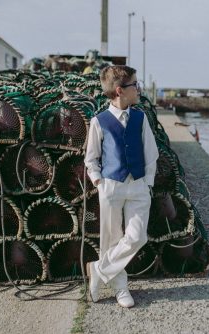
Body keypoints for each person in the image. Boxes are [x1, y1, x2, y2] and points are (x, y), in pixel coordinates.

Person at [84, 65, 159, 308]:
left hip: (137, 185)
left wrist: (147, 183)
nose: (138, 89)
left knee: (137, 237)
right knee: (111, 240)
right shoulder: (99, 121)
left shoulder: (140, 117)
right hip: (111, 186)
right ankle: (120, 288)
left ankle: (98, 270)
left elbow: (151, 153)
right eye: (134, 85)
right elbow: (91, 158)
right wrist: (98, 181)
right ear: (119, 90)